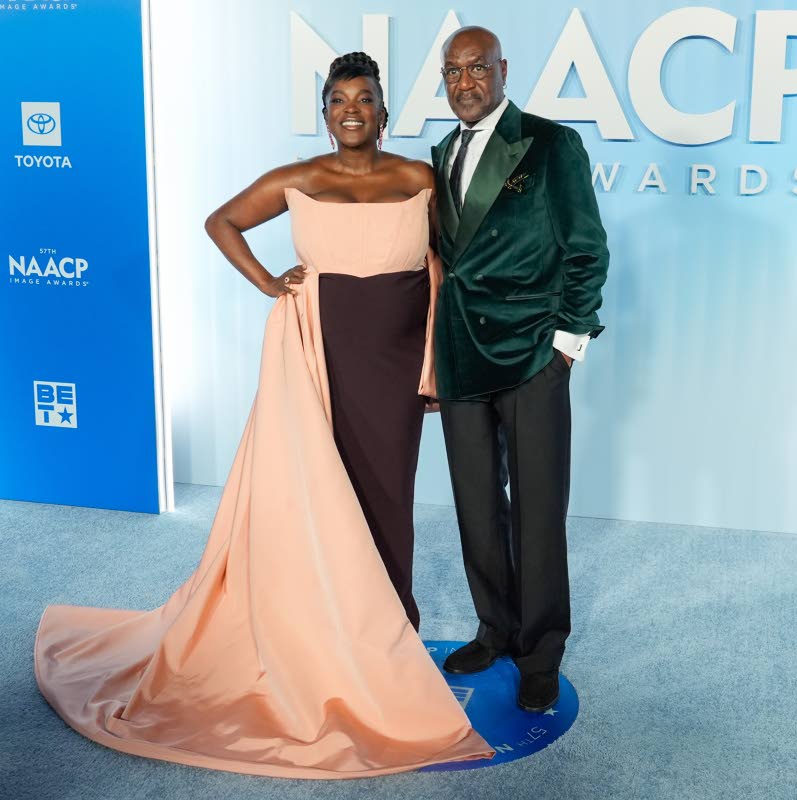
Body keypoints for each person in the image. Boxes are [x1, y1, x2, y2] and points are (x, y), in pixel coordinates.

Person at [33, 52, 493, 779]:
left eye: (365, 98)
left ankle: (389, 637)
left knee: (387, 500)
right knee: (319, 500)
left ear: (383, 108)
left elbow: (439, 263)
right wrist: (268, 284)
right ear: (324, 111)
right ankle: (323, 642)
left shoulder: (418, 178)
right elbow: (221, 222)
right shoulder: (297, 179)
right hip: (320, 357)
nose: (352, 110)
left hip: (398, 361)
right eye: (338, 99)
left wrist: (441, 357)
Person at [429, 27, 610, 713]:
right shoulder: (442, 151)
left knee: (537, 506)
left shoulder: (550, 142)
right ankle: (495, 628)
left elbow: (587, 248)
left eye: (478, 69)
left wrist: (567, 343)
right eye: (453, 72)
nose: (465, 83)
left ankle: (540, 650)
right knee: (477, 503)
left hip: (533, 351)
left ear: (503, 70)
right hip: (461, 355)